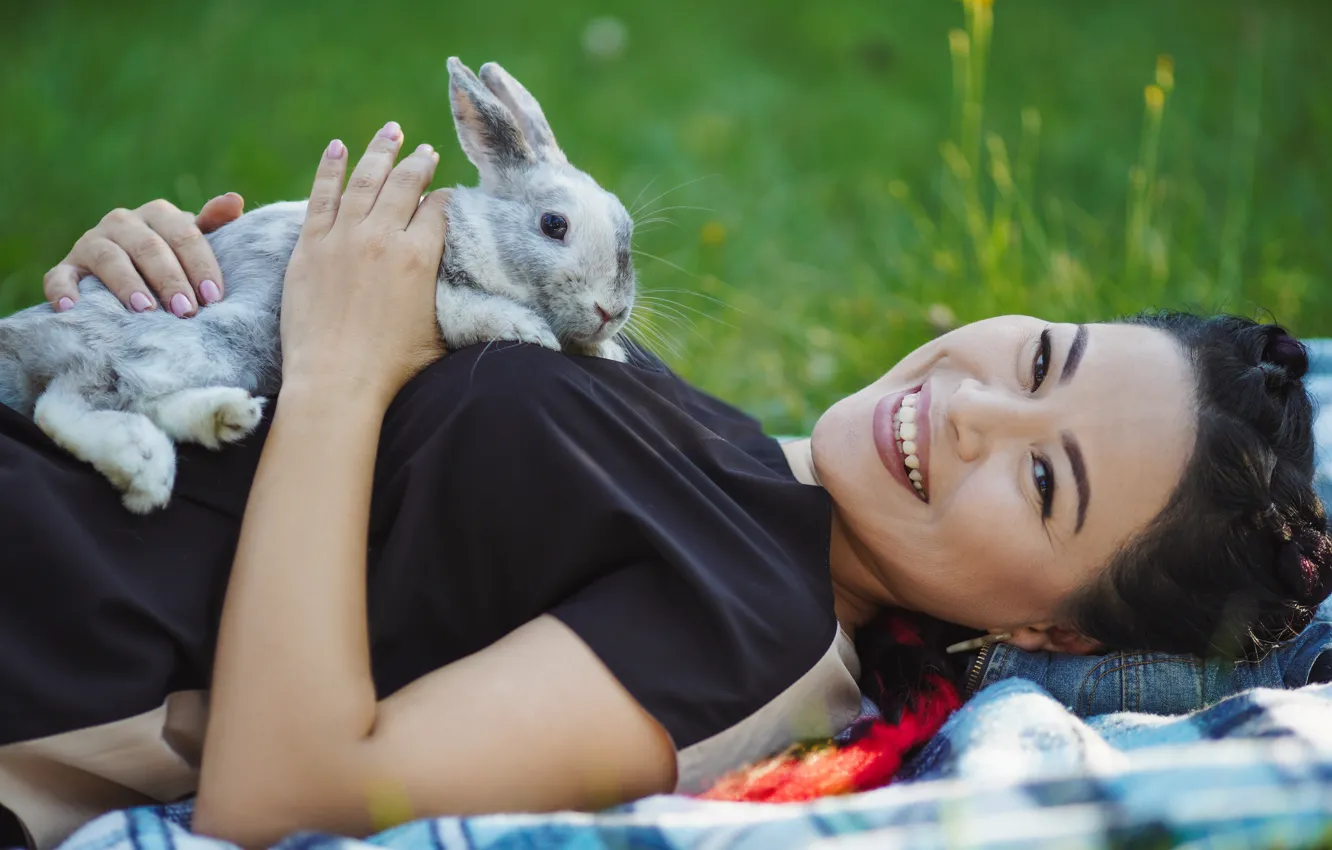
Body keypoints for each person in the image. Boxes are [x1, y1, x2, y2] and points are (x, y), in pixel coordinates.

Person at [3, 125, 1330, 849]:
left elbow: (277, 793)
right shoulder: (737, 459)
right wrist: (173, 291)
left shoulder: (761, 637)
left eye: (1045, 478)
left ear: (1053, 632)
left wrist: (347, 368)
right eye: (1042, 355)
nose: (976, 404)